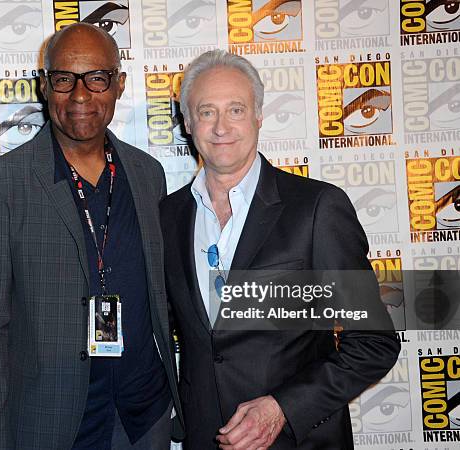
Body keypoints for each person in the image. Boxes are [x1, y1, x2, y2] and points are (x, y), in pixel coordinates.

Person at [160, 49, 400, 450]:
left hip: (297, 440)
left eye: (236, 109)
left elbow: (374, 343)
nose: (221, 127)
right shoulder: (168, 216)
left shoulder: (317, 208)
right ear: (187, 121)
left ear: (257, 116)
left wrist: (282, 408)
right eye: (206, 111)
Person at [0, 23, 181, 450]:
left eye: (97, 78)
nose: (80, 96)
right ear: (44, 87)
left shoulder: (147, 174)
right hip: (54, 423)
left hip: (144, 415)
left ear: (118, 84)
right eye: (64, 79)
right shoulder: (0, 186)